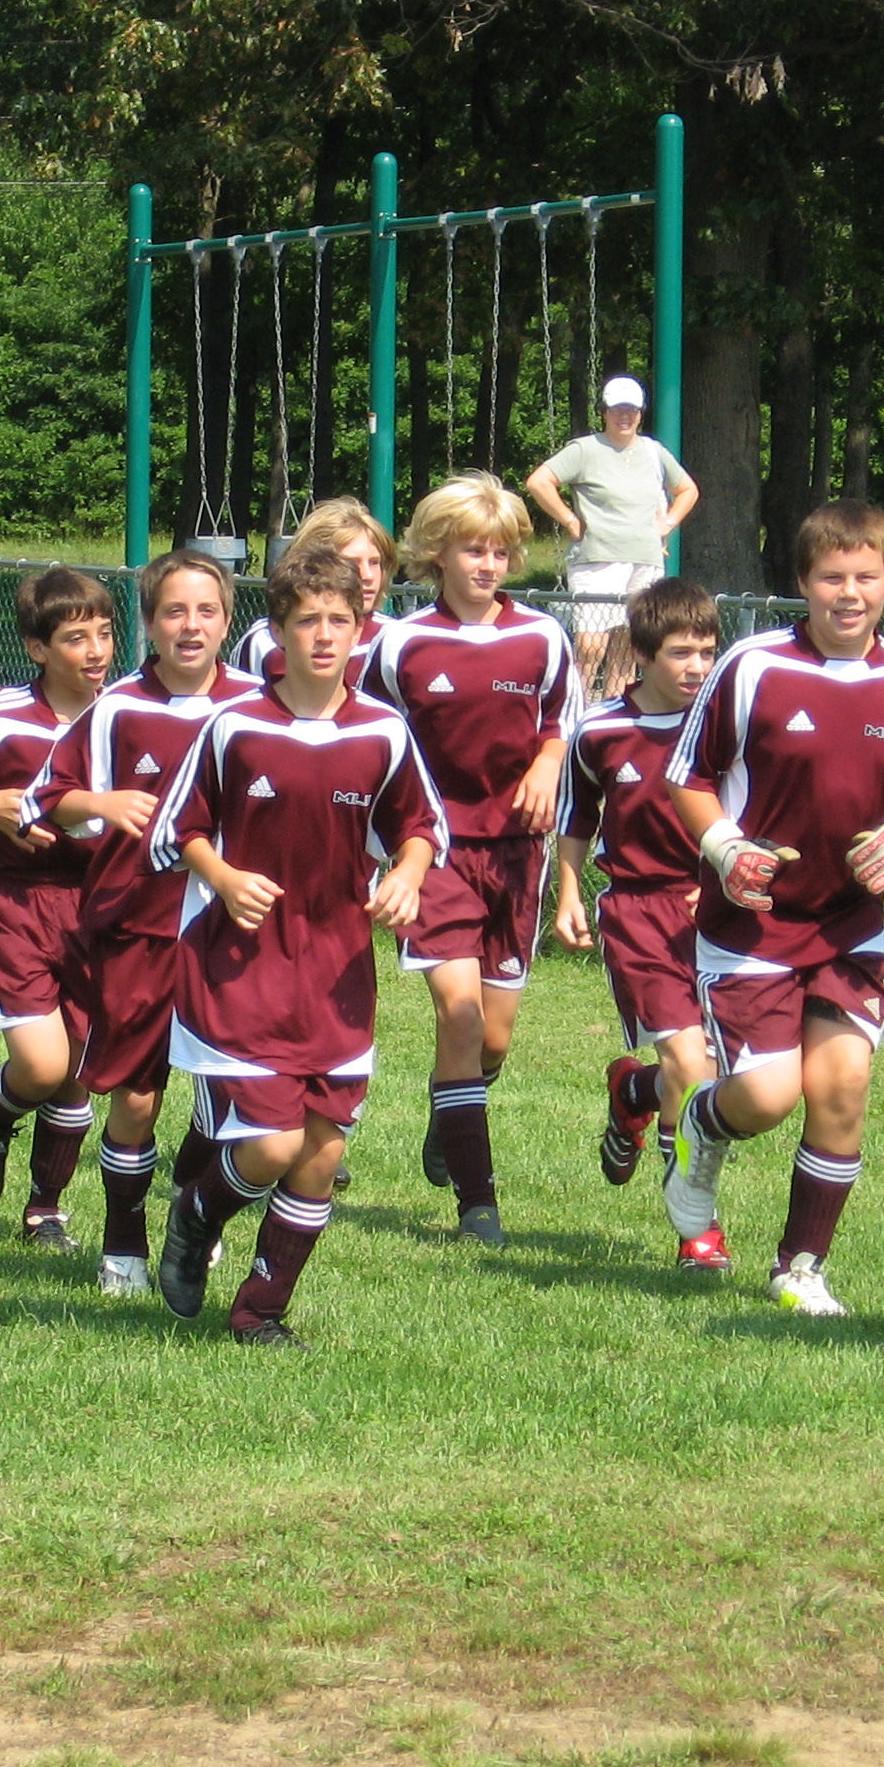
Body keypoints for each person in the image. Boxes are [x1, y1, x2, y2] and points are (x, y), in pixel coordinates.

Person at [147, 542, 446, 1346]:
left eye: (339, 620)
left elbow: (421, 827)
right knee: (274, 1141)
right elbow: (177, 830)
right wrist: (223, 875)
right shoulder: (234, 726)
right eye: (307, 620)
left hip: (334, 972)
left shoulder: (382, 731)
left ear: (360, 630)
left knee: (320, 1153)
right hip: (239, 967)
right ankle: (197, 1210)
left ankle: (260, 1313)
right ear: (276, 631)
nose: (324, 635)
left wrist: (408, 873)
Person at [662, 501, 884, 1311]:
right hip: (751, 924)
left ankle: (800, 1267)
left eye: (866, 577)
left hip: (850, 923)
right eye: (831, 577)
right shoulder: (752, 667)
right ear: (803, 582)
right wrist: (725, 848)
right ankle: (702, 1126)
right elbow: (688, 776)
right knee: (766, 1097)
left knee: (843, 1085)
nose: (849, 593)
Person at [24, 548, 256, 1295]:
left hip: (231, 929)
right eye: (174, 611)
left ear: (228, 621)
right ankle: (122, 1241)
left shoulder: (256, 705)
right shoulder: (119, 706)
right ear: (150, 624)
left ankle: (194, 1206)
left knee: (231, 1094)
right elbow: (47, 797)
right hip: (138, 926)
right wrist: (100, 803)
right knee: (137, 1094)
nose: (191, 625)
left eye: (207, 611)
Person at [367, 471, 581, 1245]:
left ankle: (450, 1110)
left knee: (493, 1037)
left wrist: (547, 765)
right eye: (471, 550)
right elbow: (372, 741)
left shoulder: (542, 638)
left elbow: (562, 722)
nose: (487, 564)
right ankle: (478, 1205)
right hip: (435, 853)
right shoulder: (401, 645)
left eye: (499, 551)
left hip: (516, 855)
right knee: (459, 1018)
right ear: (438, 553)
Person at [0, 568, 119, 1251]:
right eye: (76, 638)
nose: (95, 650)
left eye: (104, 633)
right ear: (38, 649)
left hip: (97, 908)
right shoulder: (5, 714)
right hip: (13, 901)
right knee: (42, 1067)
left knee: (79, 1070)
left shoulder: (125, 715)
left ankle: (46, 1211)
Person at [551, 578, 720, 1248]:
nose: (697, 667)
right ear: (644, 655)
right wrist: (568, 893)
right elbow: (575, 816)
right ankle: (696, 1228)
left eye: (707, 652)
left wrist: (727, 872)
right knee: (692, 1065)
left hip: (720, 914)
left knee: (719, 1076)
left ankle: (633, 1093)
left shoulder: (724, 724)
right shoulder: (601, 730)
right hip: (639, 912)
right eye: (681, 653)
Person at [526, 376, 699, 699]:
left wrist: (668, 523)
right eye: (618, 409)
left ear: (641, 413)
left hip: (645, 560)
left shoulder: (654, 451)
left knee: (629, 644)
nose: (625, 416)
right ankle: (572, 707)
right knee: (590, 645)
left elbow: (687, 489)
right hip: (597, 558)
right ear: (605, 411)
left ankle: (615, 709)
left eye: (632, 409)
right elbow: (539, 482)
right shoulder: (584, 449)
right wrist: (569, 519)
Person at [228, 497, 397, 688]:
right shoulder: (263, 641)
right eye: (352, 562)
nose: (368, 575)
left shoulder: (396, 639)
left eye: (375, 563)